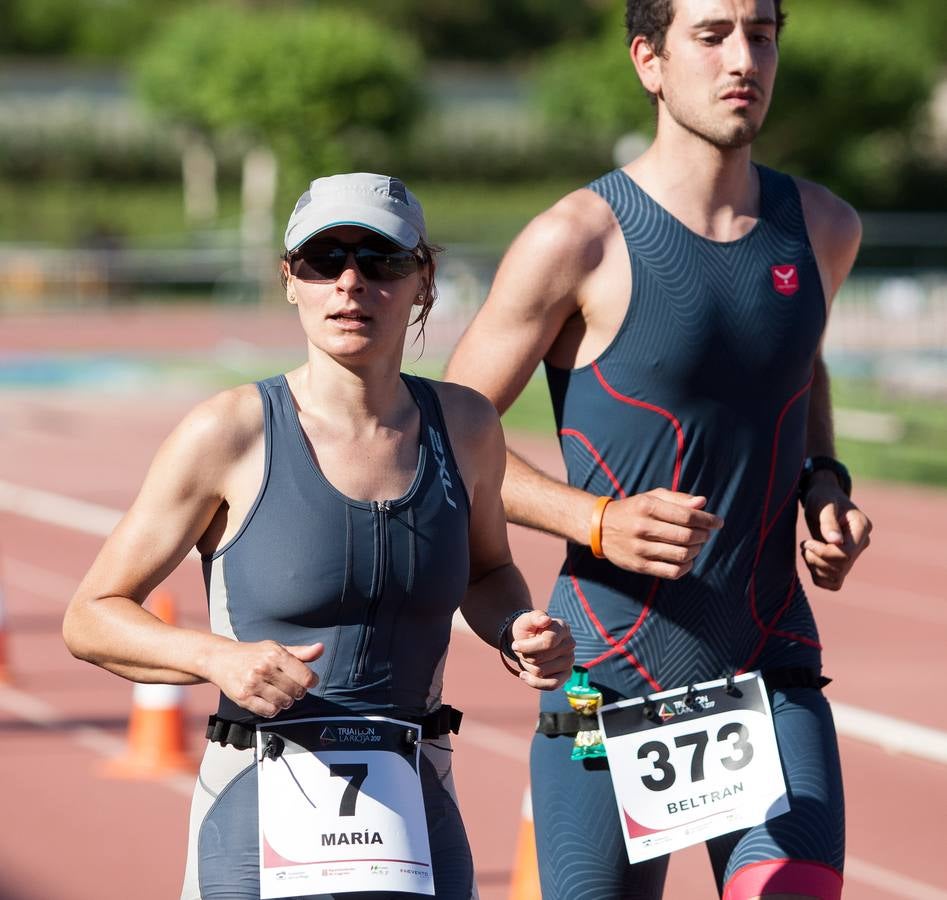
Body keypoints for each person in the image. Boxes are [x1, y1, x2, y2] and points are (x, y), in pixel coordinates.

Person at [445, 2, 872, 898]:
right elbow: (448, 429)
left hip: (769, 654)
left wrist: (820, 478)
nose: (742, 60)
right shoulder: (577, 239)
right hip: (611, 668)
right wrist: (593, 519)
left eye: (760, 35)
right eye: (711, 36)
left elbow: (802, 364)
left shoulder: (824, 228)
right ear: (648, 60)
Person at [62, 172, 574, 900]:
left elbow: (488, 574)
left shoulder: (466, 427)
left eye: (381, 260)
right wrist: (219, 659)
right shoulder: (230, 432)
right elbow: (91, 616)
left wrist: (516, 631)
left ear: (423, 280)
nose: (349, 282)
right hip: (255, 813)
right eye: (322, 259)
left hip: (415, 811)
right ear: (288, 279)